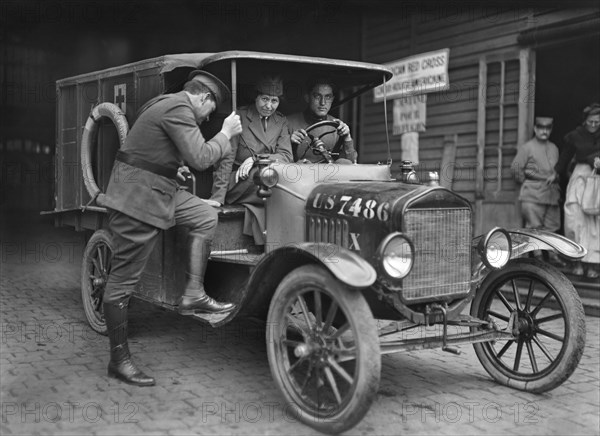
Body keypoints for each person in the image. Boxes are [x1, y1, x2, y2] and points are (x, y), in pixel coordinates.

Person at [98, 70, 243, 386]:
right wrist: (226, 132)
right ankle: (119, 360)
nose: (206, 120)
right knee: (122, 283)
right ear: (202, 97)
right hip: (136, 200)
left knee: (205, 217)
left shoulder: (166, 103)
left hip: (157, 188)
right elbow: (202, 158)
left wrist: (169, 167)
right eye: (209, 112)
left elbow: (148, 149)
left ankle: (192, 293)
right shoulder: (179, 109)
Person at [210, 75, 293, 245]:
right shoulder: (239, 117)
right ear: (255, 97)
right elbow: (226, 160)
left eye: (274, 100)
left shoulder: (281, 121)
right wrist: (217, 197)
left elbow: (286, 156)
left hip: (267, 180)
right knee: (263, 176)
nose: (269, 106)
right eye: (264, 99)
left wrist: (256, 159)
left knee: (277, 176)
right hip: (240, 181)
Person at [511, 116, 565, 266]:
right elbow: (516, 168)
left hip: (551, 193)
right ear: (535, 129)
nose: (544, 131)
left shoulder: (554, 148)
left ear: (551, 130)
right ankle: (538, 256)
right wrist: (528, 182)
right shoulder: (527, 147)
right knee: (534, 226)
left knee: (552, 226)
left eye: (548, 129)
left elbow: (558, 170)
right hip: (533, 194)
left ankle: (553, 256)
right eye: (541, 128)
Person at [554, 103, 600, 278]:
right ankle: (577, 262)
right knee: (574, 219)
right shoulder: (575, 136)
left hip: (597, 181)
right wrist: (555, 173)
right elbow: (565, 156)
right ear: (585, 121)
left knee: (594, 224)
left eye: (597, 122)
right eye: (591, 122)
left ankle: (593, 265)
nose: (594, 126)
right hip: (579, 178)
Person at [287, 77, 357, 164]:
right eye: (317, 96)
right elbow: (279, 161)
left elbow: (350, 163)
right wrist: (288, 142)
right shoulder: (287, 123)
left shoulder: (337, 126)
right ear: (307, 98)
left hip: (329, 176)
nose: (323, 103)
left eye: (328, 97)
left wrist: (347, 138)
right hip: (299, 175)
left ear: (332, 99)